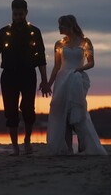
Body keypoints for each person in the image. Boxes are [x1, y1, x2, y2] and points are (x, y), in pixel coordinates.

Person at [0, 0, 50, 156]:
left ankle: (27, 140)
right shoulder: (4, 32)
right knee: (10, 111)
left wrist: (44, 80)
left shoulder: (35, 32)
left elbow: (41, 58)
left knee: (28, 109)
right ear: (12, 13)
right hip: (9, 75)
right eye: (15, 14)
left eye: (21, 14)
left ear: (26, 12)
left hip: (28, 74)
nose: (18, 16)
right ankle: (15, 146)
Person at [45, 15, 107, 156]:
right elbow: (56, 66)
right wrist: (49, 83)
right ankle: (67, 149)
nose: (59, 28)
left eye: (61, 25)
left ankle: (82, 141)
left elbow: (91, 62)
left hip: (76, 79)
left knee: (76, 111)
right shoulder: (59, 44)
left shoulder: (85, 42)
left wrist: (80, 69)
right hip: (62, 80)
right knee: (61, 112)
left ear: (70, 26)